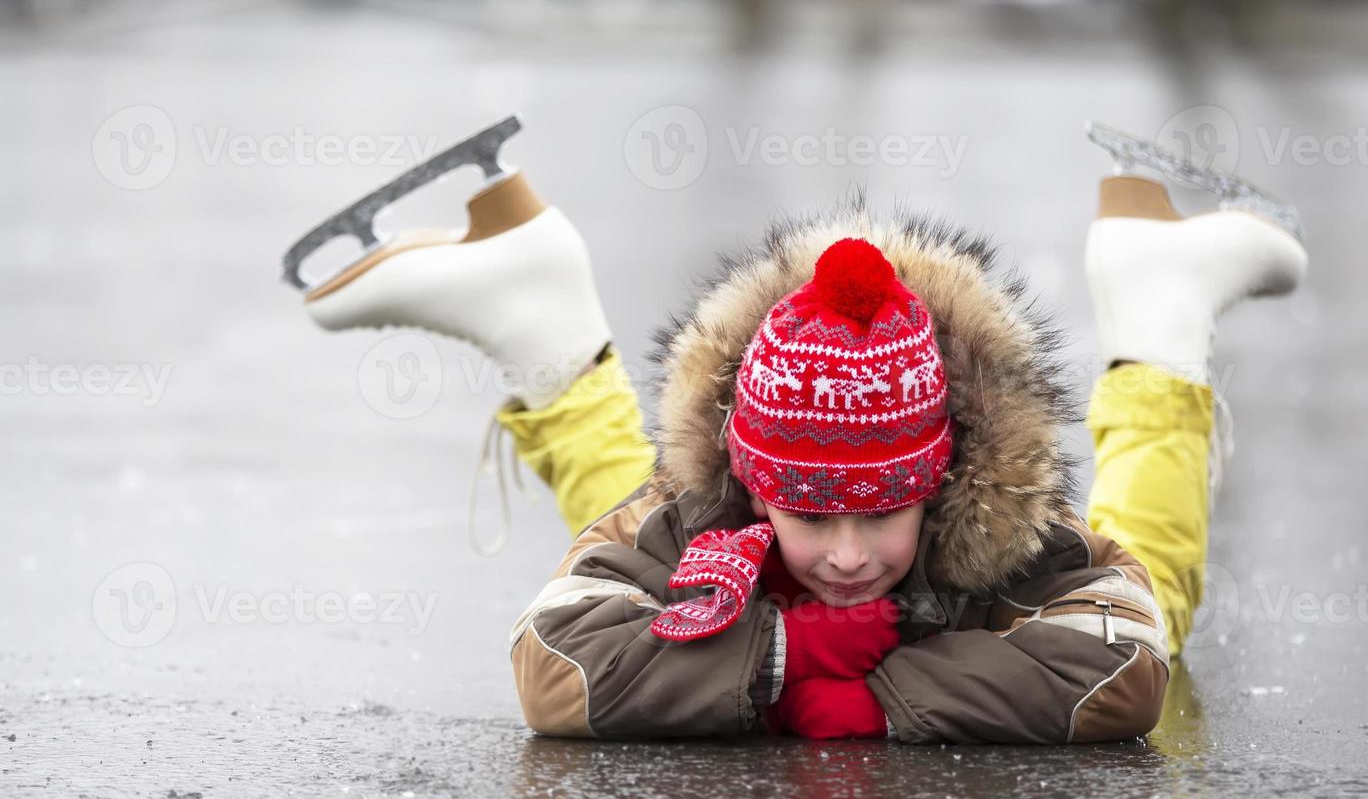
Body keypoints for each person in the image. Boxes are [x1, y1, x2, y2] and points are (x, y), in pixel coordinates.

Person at [299, 133, 1305, 743]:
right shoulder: (705, 503)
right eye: (813, 510)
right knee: (680, 554)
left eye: (885, 506)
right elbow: (556, 659)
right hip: (721, 519)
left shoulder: (996, 521)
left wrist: (872, 694)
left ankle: (1157, 321)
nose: (852, 551)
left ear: (940, 478)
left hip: (905, 520)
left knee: (1158, 600)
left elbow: (1127, 659)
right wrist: (783, 655)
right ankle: (538, 308)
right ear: (754, 478)